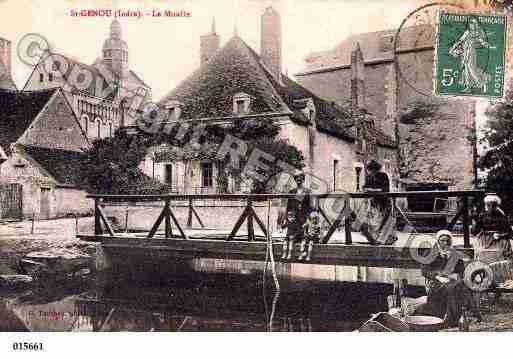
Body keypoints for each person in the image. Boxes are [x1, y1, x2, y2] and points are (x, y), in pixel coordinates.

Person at [415, 230, 482, 327]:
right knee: (453, 288)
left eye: (447, 241)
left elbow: (461, 270)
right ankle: (455, 318)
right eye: (442, 240)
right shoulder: (430, 253)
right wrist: (437, 277)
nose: (445, 243)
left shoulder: (453, 253)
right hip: (435, 282)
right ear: (438, 241)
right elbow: (424, 271)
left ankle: (459, 316)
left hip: (451, 281)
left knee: (461, 285)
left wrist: (455, 275)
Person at [353, 159, 396, 245]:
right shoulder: (369, 177)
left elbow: (385, 189)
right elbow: (364, 187)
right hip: (373, 202)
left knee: (383, 221)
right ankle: (374, 239)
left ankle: (385, 239)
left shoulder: (383, 176)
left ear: (376, 169)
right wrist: (366, 189)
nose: (372, 171)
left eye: (373, 169)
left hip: (383, 201)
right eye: (370, 170)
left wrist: (373, 190)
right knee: (371, 221)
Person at [449, 17, 490, 93]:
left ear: (476, 24)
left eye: (474, 23)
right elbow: (460, 40)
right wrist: (453, 47)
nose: (472, 25)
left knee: (471, 69)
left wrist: (485, 44)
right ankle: (468, 87)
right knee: (466, 70)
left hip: (471, 52)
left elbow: (482, 42)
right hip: (465, 51)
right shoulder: (467, 32)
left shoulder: (478, 33)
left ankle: (483, 82)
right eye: (471, 23)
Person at [472, 194, 513, 263]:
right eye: (488, 205)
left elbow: (510, 232)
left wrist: (500, 236)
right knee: (481, 255)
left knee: (499, 259)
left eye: (493, 205)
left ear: (496, 205)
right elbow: (475, 231)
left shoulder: (502, 216)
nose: (490, 207)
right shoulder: (482, 215)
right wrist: (474, 224)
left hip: (499, 241)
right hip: (484, 241)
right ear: (486, 205)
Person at [281, 173, 312, 261]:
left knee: (303, 236)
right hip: (293, 217)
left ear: (303, 180)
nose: (299, 180)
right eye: (297, 179)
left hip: (302, 216)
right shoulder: (292, 192)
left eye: (300, 179)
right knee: (290, 235)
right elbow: (288, 206)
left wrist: (308, 218)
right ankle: (288, 253)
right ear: (295, 180)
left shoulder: (307, 191)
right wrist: (286, 218)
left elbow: (309, 206)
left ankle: (301, 254)